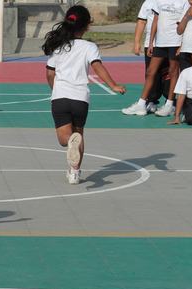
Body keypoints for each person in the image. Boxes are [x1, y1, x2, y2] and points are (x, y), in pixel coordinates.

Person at [42, 5, 126, 185]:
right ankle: (74, 172)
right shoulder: (90, 47)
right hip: (80, 99)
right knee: (78, 133)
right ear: (87, 25)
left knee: (65, 140)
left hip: (60, 97)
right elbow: (98, 67)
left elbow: (49, 73)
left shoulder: (59, 46)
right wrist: (113, 85)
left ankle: (70, 145)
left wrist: (54, 89)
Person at [122, 0, 188, 117]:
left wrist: (182, 43)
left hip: (175, 42)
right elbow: (155, 21)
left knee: (173, 72)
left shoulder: (185, 2)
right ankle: (141, 104)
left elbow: (185, 23)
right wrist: (151, 42)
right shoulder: (158, 1)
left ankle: (169, 105)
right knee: (150, 72)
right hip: (160, 43)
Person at [133, 0, 170, 113]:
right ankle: (151, 101)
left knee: (169, 74)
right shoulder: (148, 3)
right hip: (151, 45)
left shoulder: (176, 2)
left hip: (170, 43)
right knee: (151, 74)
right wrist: (137, 42)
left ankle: (170, 103)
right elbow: (141, 21)